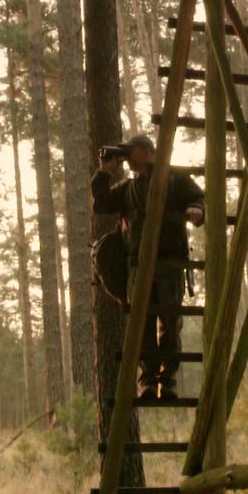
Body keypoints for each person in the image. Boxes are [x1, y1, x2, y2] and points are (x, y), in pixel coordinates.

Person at [91, 132, 204, 399]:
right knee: (141, 324)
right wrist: (104, 172)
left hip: (169, 264)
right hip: (137, 266)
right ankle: (149, 379)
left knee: (170, 321)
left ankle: (169, 379)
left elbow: (199, 198)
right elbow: (102, 203)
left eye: (133, 151)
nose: (128, 157)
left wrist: (197, 211)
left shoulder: (174, 179)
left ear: (149, 152)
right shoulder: (129, 188)